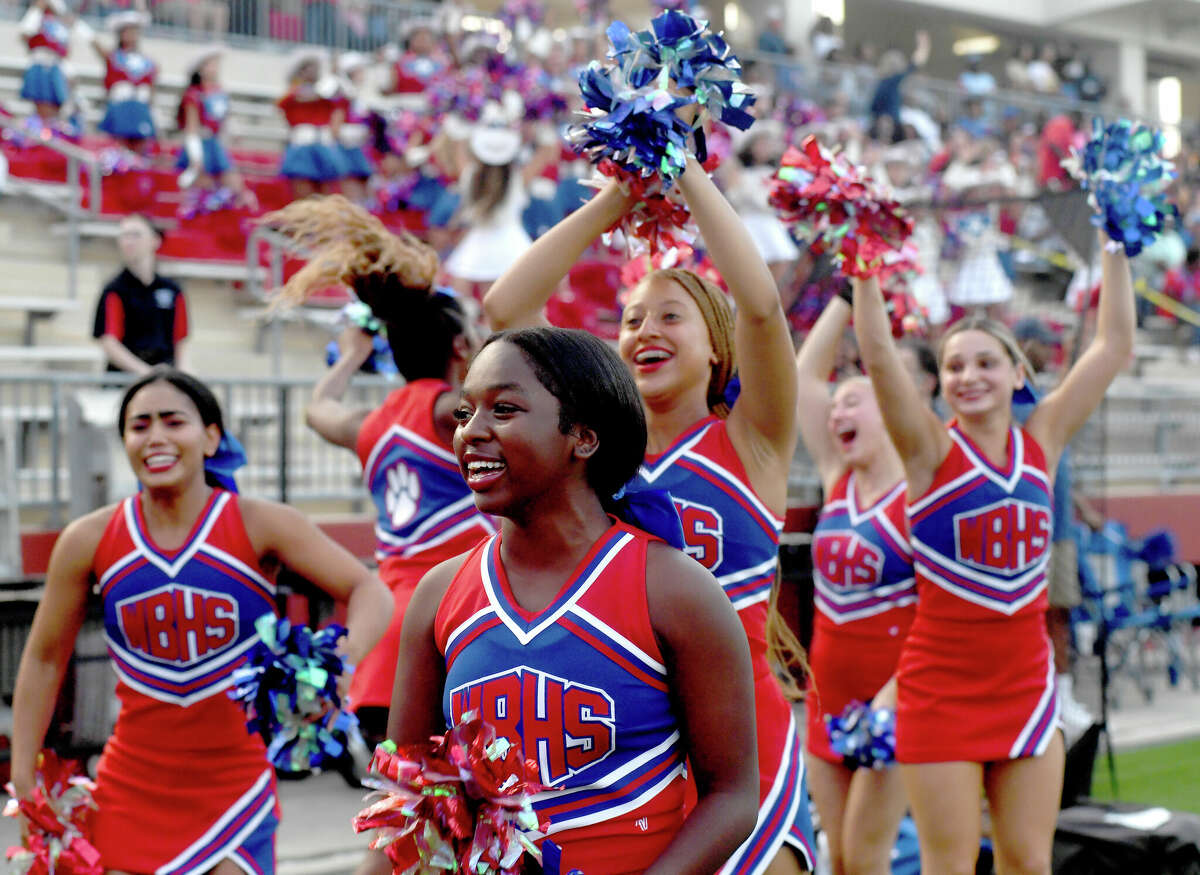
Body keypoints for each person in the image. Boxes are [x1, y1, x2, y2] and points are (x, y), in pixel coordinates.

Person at [483, 155, 816, 874]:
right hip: (623, 733)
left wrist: (681, 167)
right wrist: (614, 198)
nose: (643, 331)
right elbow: (507, 314)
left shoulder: (751, 439)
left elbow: (760, 306)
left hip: (744, 733)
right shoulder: (588, 450)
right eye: (631, 319)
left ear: (715, 345)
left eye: (670, 315)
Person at [390, 327, 760, 873]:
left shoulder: (671, 588)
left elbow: (732, 797)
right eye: (466, 413)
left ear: (583, 438)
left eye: (504, 409)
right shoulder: (439, 593)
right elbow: (407, 795)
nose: (471, 432)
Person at [10, 368, 393, 873]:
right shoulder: (88, 539)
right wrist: (25, 782)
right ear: (125, 440)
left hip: (235, 791)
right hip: (129, 787)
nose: (157, 437)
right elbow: (42, 659)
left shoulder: (259, 523)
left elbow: (370, 590)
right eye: (140, 425)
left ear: (211, 437)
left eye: (174, 421)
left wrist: (336, 664)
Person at [851, 234, 1135, 875]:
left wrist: (1115, 241)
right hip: (940, 690)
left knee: (1028, 864)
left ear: (1018, 374)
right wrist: (863, 260)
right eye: (954, 366)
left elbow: (1114, 346)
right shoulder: (927, 448)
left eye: (986, 362)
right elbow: (877, 355)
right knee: (948, 866)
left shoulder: (1044, 438)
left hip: (1027, 687)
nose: (969, 376)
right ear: (940, 383)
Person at [264, 195, 496, 756]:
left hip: (388, 628)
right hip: (457, 617)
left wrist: (350, 355)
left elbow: (317, 409)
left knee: (398, 816)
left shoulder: (372, 425)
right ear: (461, 349)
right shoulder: (453, 413)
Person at [795, 293, 914, 875]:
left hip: (894, 699)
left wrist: (889, 702)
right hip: (826, 697)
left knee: (867, 858)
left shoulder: (921, 493)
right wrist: (847, 295)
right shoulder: (837, 476)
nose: (837, 413)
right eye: (835, 406)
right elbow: (803, 378)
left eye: (854, 403)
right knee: (837, 858)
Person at [1012, 317, 1094, 741]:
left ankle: (1060, 695)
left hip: (1059, 526)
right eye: (1045, 345)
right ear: (1026, 344)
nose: (1050, 352)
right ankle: (1042, 694)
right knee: (1039, 616)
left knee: (1059, 613)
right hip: (1030, 531)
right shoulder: (1009, 403)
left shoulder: (1039, 398)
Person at [93, 213, 190, 374]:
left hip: (165, 375)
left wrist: (181, 377)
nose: (129, 241)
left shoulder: (172, 290)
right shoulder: (114, 290)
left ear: (155, 240)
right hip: (125, 380)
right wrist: (146, 373)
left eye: (136, 235)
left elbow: (180, 340)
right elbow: (109, 342)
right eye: (124, 235)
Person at [175, 47, 253, 207]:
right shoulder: (194, 94)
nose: (215, 68)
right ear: (201, 69)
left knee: (234, 185)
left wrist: (234, 132)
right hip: (199, 145)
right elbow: (192, 129)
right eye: (211, 64)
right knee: (199, 187)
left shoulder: (220, 92)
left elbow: (225, 119)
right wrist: (196, 158)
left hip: (215, 144)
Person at [277, 51, 347, 201]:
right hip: (302, 145)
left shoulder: (329, 91)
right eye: (309, 67)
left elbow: (342, 100)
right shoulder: (294, 93)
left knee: (326, 197)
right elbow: (285, 103)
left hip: (323, 143)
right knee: (303, 196)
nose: (314, 71)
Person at [18, 0, 90, 129]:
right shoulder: (39, 16)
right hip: (41, 64)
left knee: (57, 105)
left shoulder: (60, 23)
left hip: (56, 66)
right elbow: (25, 33)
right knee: (43, 106)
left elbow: (66, 49)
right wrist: (37, 9)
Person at [93, 8, 157, 151]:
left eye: (134, 31)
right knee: (118, 144)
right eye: (127, 31)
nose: (131, 35)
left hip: (140, 105)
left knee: (141, 145)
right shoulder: (114, 56)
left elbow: (151, 86)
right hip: (121, 104)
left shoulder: (147, 61)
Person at [868, 30, 930, 144]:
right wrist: (923, 44)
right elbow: (916, 63)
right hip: (889, 131)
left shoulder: (882, 84)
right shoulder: (891, 81)